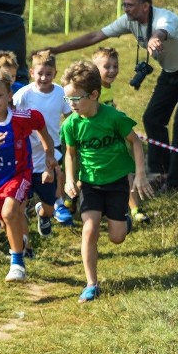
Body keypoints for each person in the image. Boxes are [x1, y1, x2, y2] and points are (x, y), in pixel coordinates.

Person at [43, 0, 178, 191]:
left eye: (130, 5)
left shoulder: (165, 18)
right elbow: (94, 36)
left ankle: (173, 182)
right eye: (124, 4)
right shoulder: (129, 21)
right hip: (171, 72)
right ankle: (159, 172)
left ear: (145, 6)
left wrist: (155, 38)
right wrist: (56, 49)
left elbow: (162, 31)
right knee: (152, 118)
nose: (125, 9)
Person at [60, 61, 153, 303]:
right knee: (89, 230)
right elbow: (70, 154)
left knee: (116, 237)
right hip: (90, 184)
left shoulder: (113, 118)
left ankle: (124, 222)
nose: (71, 105)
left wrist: (140, 173)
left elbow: (135, 142)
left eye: (76, 99)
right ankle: (91, 284)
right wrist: (70, 178)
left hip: (117, 182)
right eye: (67, 99)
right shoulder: (71, 124)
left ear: (93, 95)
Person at [0, 69, 56, 283]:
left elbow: (42, 127)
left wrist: (49, 155)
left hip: (20, 174)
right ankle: (21, 244)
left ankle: (17, 264)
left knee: (9, 212)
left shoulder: (23, 118)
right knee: (7, 222)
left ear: (9, 97)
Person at [12, 51, 73, 239]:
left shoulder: (60, 92)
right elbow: (11, 116)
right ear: (31, 72)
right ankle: (23, 242)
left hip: (52, 148)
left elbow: (69, 115)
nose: (44, 77)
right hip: (26, 150)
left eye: (48, 73)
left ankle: (44, 212)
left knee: (50, 199)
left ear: (55, 73)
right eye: (40, 73)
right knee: (22, 200)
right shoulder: (23, 94)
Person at [91, 47, 150, 224]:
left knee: (126, 172)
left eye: (115, 66)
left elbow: (109, 110)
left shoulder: (107, 87)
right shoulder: (93, 88)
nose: (112, 70)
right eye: (106, 66)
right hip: (97, 142)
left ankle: (135, 209)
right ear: (94, 69)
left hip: (115, 140)